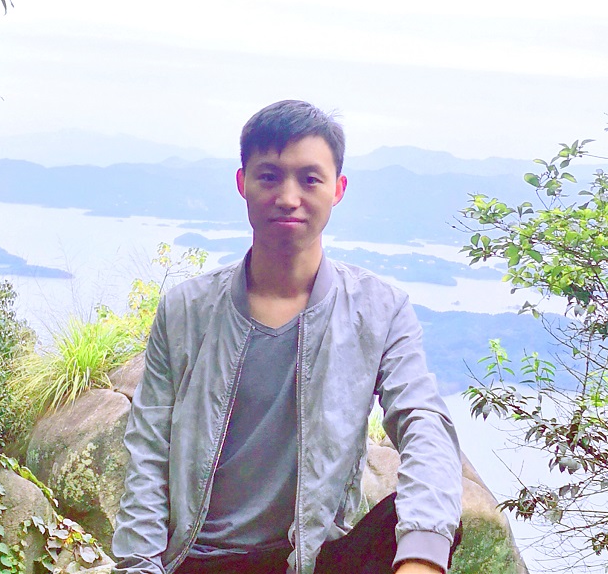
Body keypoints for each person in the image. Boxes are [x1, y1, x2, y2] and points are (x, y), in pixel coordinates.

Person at [112, 100, 462, 574]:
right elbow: (149, 452)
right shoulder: (187, 311)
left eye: (310, 179)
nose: (288, 197)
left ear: (338, 189)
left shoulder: (379, 310)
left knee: (421, 523)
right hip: (201, 559)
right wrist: (139, 565)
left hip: (311, 559)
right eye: (270, 177)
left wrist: (421, 559)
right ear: (243, 183)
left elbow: (423, 421)